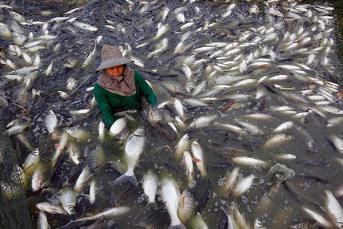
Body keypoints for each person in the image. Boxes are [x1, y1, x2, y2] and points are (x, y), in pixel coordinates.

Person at [94, 44, 158, 129]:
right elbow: (106, 114)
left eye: (119, 66)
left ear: (123, 64)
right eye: (111, 68)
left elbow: (149, 93)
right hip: (118, 115)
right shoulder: (100, 88)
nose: (116, 71)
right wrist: (115, 128)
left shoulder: (135, 75)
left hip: (138, 108)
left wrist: (154, 108)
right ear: (105, 69)